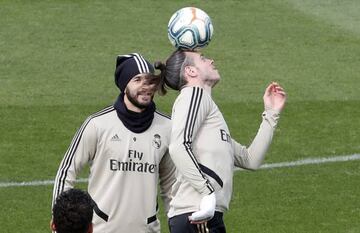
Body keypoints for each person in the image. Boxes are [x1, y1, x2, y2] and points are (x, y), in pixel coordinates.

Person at [154, 50, 287, 233]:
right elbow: (178, 146)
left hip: (206, 216)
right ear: (191, 71)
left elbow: (250, 159)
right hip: (196, 214)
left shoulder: (208, 112)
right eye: (203, 58)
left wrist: (271, 114)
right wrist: (207, 192)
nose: (211, 60)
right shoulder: (194, 94)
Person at [52, 53, 176, 233]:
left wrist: (179, 224)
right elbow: (66, 171)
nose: (146, 86)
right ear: (124, 84)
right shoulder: (97, 124)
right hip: (101, 229)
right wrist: (59, 223)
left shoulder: (167, 127)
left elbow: (172, 186)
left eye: (150, 81)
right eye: (137, 80)